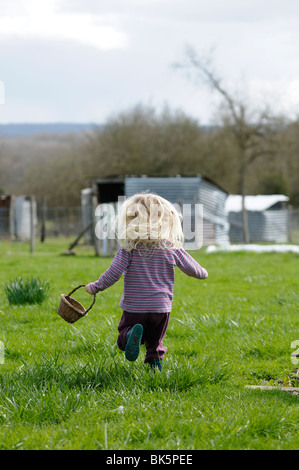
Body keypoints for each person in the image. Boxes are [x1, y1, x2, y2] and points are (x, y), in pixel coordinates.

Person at [85, 193, 208, 371]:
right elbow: (194, 270)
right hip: (161, 308)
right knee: (155, 343)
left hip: (135, 307)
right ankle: (155, 371)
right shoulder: (171, 247)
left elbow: (114, 273)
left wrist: (94, 287)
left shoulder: (129, 247)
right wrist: (204, 273)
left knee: (125, 335)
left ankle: (130, 336)